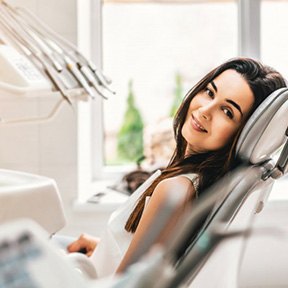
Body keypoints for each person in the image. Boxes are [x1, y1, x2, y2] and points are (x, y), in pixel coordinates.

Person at [67, 57, 286, 278]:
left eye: (227, 112)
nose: (204, 111)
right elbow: (158, 259)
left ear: (243, 134)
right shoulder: (201, 183)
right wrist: (103, 248)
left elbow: (126, 285)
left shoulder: (175, 190)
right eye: (209, 92)